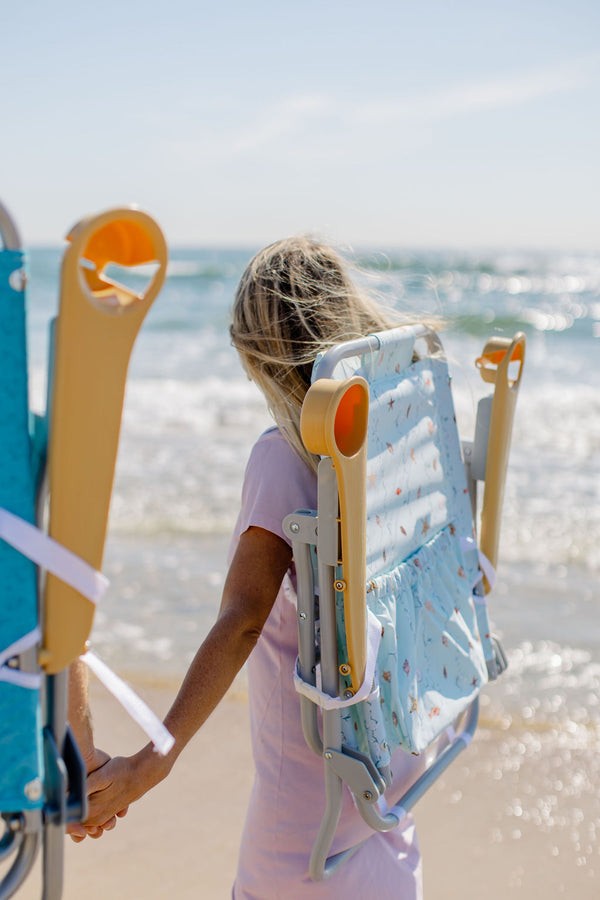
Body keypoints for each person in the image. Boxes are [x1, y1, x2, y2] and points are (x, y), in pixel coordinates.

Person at [80, 236, 424, 898]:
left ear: (258, 356)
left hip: (312, 793)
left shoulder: (284, 455)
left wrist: (152, 764)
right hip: (394, 758)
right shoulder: (393, 436)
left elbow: (242, 620)